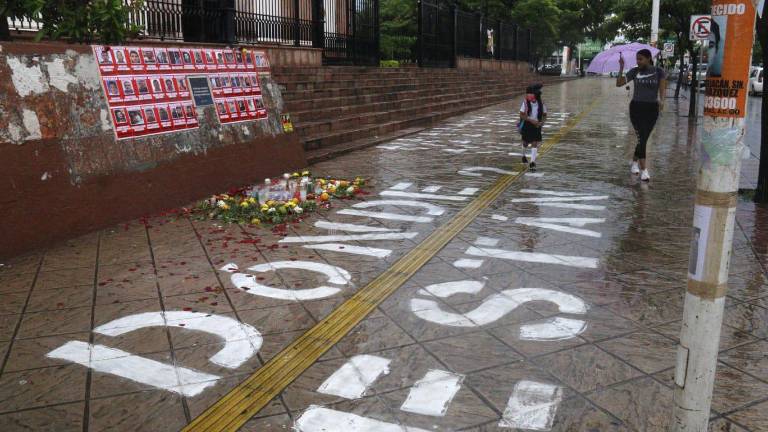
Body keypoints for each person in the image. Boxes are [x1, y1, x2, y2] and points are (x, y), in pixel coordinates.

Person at [617, 48, 667, 182]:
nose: (638, 62)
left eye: (640, 59)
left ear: (649, 58)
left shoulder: (659, 71)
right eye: (637, 59)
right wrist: (621, 67)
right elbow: (619, 83)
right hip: (636, 108)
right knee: (642, 137)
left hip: (652, 109)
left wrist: (662, 101)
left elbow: (662, 89)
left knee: (643, 137)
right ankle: (644, 170)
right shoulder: (635, 71)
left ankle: (634, 162)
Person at [518, 84, 546, 171]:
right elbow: (521, 115)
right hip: (527, 124)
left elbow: (545, 115)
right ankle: (523, 155)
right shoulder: (525, 103)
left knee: (535, 143)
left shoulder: (541, 103)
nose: (528, 95)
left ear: (535, 95)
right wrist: (531, 120)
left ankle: (532, 162)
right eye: (528, 93)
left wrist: (542, 122)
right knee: (525, 143)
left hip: (536, 125)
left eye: (530, 93)